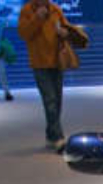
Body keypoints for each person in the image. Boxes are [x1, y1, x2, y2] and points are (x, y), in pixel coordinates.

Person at [19, 0, 71, 151]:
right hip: (39, 64)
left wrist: (64, 33)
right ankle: (58, 137)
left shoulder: (56, 10)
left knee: (57, 100)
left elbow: (66, 28)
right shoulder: (27, 11)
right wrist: (37, 18)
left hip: (57, 61)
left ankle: (50, 134)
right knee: (50, 101)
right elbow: (24, 34)